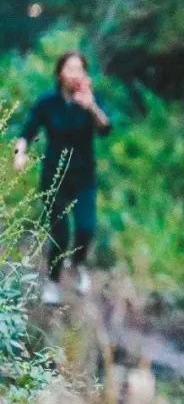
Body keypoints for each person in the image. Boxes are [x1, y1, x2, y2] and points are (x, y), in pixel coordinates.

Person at [13, 50, 111, 305]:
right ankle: (53, 283)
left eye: (80, 69)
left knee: (86, 229)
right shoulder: (47, 102)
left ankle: (78, 264)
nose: (75, 74)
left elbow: (105, 128)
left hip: (84, 176)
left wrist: (91, 107)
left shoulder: (91, 100)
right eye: (70, 69)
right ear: (59, 74)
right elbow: (26, 132)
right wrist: (19, 154)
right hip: (54, 178)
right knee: (59, 233)